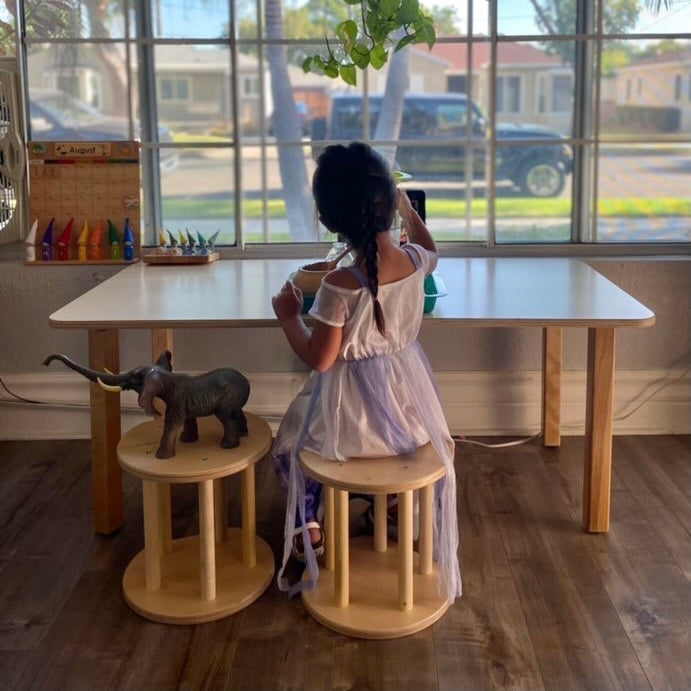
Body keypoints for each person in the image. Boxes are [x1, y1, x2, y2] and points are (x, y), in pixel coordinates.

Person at [271, 141, 462, 602]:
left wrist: (287, 317)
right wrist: (409, 211)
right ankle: (393, 506)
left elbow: (319, 359)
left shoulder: (339, 285)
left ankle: (310, 529)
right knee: (392, 449)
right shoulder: (415, 263)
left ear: (328, 220)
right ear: (388, 204)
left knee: (294, 443)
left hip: (351, 425)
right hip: (409, 418)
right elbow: (428, 248)